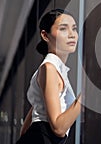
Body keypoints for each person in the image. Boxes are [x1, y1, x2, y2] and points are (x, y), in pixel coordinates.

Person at [16, 9, 81, 144]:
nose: (72, 34)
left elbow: (24, 130)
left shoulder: (52, 68)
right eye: (63, 29)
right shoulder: (49, 68)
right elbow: (58, 128)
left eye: (74, 29)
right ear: (45, 36)